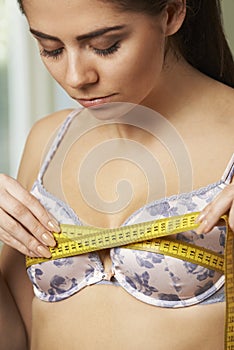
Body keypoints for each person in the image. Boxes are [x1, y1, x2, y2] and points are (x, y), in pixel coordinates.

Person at [0, 0, 234, 349]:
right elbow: (17, 336)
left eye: (104, 46)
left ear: (171, 12)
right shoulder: (46, 140)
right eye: (51, 49)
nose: (77, 77)